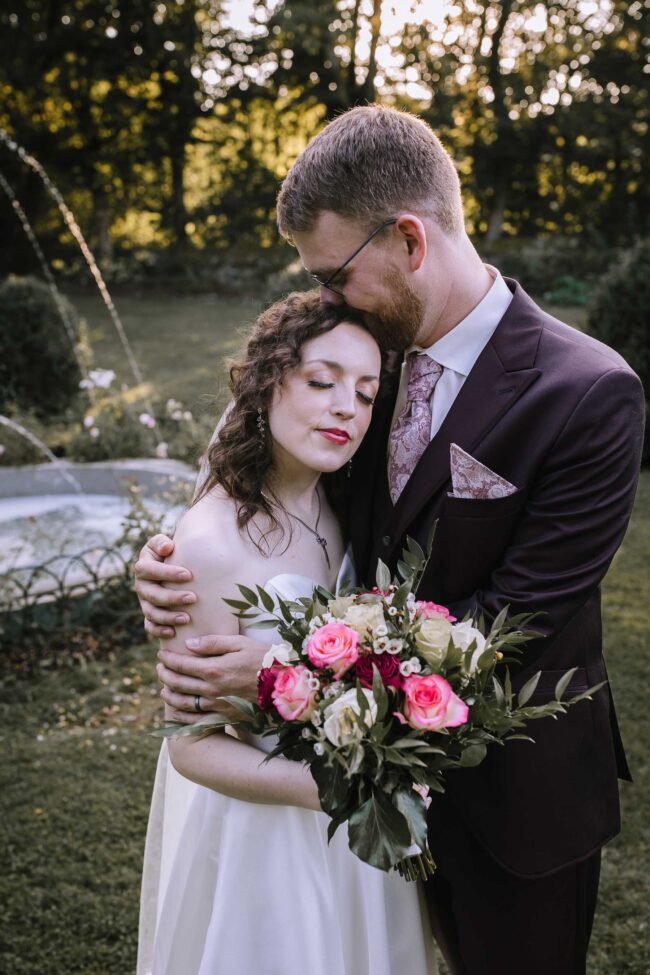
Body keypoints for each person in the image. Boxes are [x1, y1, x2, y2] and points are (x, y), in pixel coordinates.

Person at [135, 106, 645, 975]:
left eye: (335, 273)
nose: (328, 298)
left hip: (514, 802)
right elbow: (280, 478)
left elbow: (510, 624)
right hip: (346, 811)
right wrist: (173, 555)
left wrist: (285, 681)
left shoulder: (588, 393)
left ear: (409, 239)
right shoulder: (362, 357)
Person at [136, 290, 438, 975]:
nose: (346, 407)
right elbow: (191, 747)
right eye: (322, 381)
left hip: (359, 831)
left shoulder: (345, 501)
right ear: (268, 382)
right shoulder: (209, 545)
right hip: (269, 836)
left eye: (365, 393)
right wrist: (343, 787)